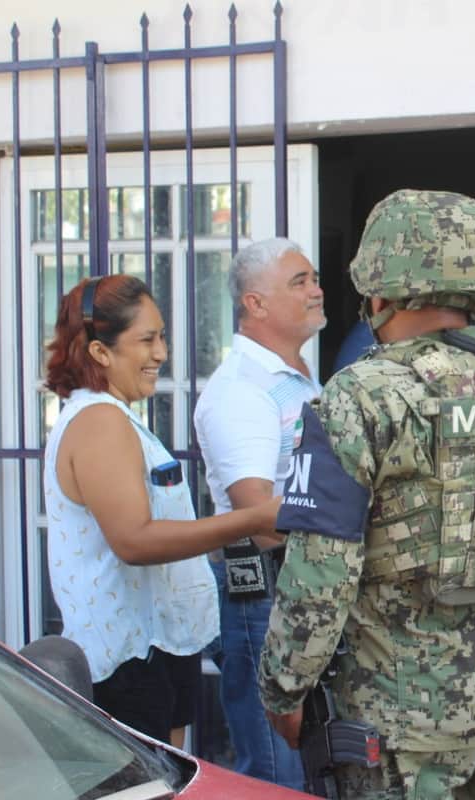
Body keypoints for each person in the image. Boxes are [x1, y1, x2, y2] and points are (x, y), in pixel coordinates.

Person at [259, 189, 475, 799]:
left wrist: (286, 687)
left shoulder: (359, 395)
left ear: (379, 288)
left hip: (399, 729)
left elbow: (320, 570)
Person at [43, 274, 280, 746]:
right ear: (100, 353)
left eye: (162, 337)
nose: (161, 354)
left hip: (160, 649)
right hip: (130, 663)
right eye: (147, 340)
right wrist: (253, 518)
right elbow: (134, 540)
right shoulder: (99, 421)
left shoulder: (119, 417)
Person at [193, 238, 325, 789]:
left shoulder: (295, 378)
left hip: (304, 586)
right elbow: (257, 514)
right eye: (299, 281)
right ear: (256, 304)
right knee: (275, 772)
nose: (317, 290)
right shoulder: (241, 390)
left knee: (313, 758)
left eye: (314, 277)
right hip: (264, 595)